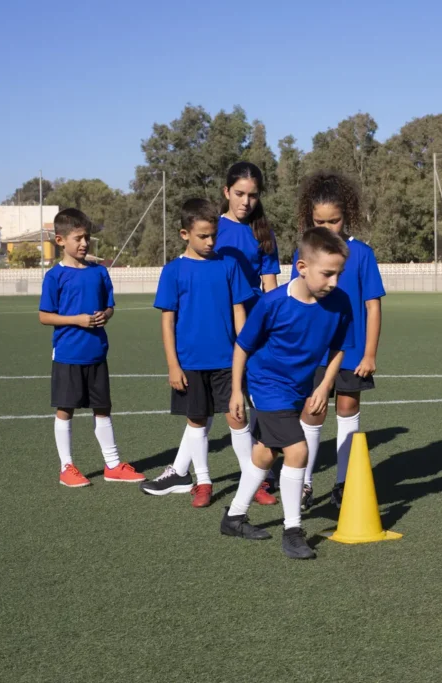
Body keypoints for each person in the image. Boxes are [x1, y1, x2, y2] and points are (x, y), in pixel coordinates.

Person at [220, 227, 354, 560]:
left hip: (299, 388)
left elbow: (339, 347)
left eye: (338, 274)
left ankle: (234, 517)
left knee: (266, 454)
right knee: (297, 450)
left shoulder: (340, 302)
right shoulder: (273, 303)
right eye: (327, 273)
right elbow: (242, 347)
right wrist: (236, 391)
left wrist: (324, 385)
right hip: (266, 385)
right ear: (302, 267)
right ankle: (293, 531)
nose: (334, 282)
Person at [139, 199, 256, 508]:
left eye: (213, 235)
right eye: (203, 236)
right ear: (184, 234)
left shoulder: (228, 265)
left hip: (227, 361)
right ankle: (203, 482)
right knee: (197, 422)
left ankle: (252, 479)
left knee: (237, 417)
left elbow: (239, 311)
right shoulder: (173, 271)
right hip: (190, 362)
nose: (210, 241)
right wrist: (173, 365)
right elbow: (167, 321)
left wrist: (244, 352)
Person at [290, 171, 384, 510]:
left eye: (334, 221)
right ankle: (304, 483)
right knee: (312, 412)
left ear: (348, 215)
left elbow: (373, 307)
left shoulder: (363, 254)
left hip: (352, 351)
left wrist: (369, 353)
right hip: (313, 353)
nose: (328, 228)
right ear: (309, 218)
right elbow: (297, 302)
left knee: (347, 408)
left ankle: (344, 483)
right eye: (320, 222)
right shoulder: (304, 254)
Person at [40, 208, 145, 487]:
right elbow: (44, 316)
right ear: (60, 240)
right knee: (66, 409)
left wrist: (105, 315)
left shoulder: (99, 272)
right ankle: (67, 467)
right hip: (68, 354)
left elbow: (110, 307)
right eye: (78, 238)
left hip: (97, 352)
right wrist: (77, 319)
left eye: (86, 237)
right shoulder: (55, 276)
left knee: (103, 409)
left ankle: (112, 465)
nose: (84, 243)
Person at [216, 161, 281, 506]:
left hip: (255, 324)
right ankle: (197, 473)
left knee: (258, 396)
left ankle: (260, 473)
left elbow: (270, 285)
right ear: (226, 191)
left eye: (252, 195)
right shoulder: (212, 229)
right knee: (225, 400)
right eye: (239, 193)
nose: (246, 201)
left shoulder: (263, 233)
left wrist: (276, 325)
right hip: (219, 323)